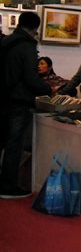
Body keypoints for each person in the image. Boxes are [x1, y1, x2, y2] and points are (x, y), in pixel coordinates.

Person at [0, 12, 51, 199]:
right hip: (19, 101)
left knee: (3, 142)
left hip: (3, 99)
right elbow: (31, 79)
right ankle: (9, 185)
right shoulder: (27, 47)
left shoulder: (5, 42)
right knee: (14, 144)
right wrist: (47, 89)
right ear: (35, 28)